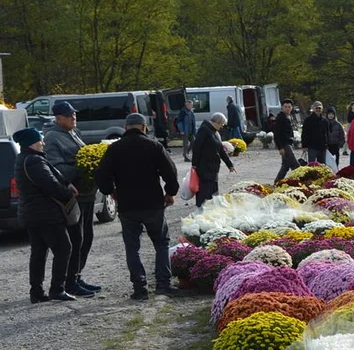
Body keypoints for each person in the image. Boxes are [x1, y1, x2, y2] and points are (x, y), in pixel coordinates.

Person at [95, 113, 180, 301]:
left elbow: (101, 175)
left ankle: (140, 289)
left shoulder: (114, 149)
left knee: (132, 247)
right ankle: (163, 284)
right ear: (144, 127)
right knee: (161, 243)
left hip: (127, 204)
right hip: (153, 203)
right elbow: (170, 172)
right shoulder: (154, 146)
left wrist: (111, 191)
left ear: (126, 128)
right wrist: (170, 193)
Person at [13, 127, 78, 303]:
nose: (43, 143)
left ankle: (37, 292)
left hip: (33, 215)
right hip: (45, 214)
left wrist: (65, 183)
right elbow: (50, 184)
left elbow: (51, 176)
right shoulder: (34, 161)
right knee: (64, 248)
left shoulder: (25, 158)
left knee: (39, 253)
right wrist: (67, 194)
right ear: (32, 143)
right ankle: (57, 289)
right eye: (40, 140)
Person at [43, 100, 98, 298]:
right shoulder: (52, 137)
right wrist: (83, 167)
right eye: (69, 115)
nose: (74, 118)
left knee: (87, 237)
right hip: (73, 195)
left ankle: (76, 275)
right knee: (77, 239)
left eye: (74, 114)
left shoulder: (73, 132)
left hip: (87, 192)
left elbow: (84, 153)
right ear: (58, 118)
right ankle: (69, 281)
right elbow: (55, 168)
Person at [191, 112, 235, 207]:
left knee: (213, 191)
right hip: (204, 166)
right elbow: (197, 147)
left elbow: (221, 150)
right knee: (204, 191)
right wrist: (194, 164)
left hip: (213, 167)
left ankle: (211, 209)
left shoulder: (215, 132)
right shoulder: (204, 130)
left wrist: (230, 165)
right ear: (218, 122)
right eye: (222, 124)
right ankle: (201, 210)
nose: (222, 127)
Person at [273, 98, 299, 182]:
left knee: (285, 165)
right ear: (282, 108)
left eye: (289, 107)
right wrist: (280, 148)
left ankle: (277, 182)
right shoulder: (280, 118)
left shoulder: (289, 117)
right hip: (284, 144)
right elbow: (276, 134)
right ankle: (300, 180)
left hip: (289, 142)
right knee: (295, 165)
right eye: (286, 107)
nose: (288, 108)